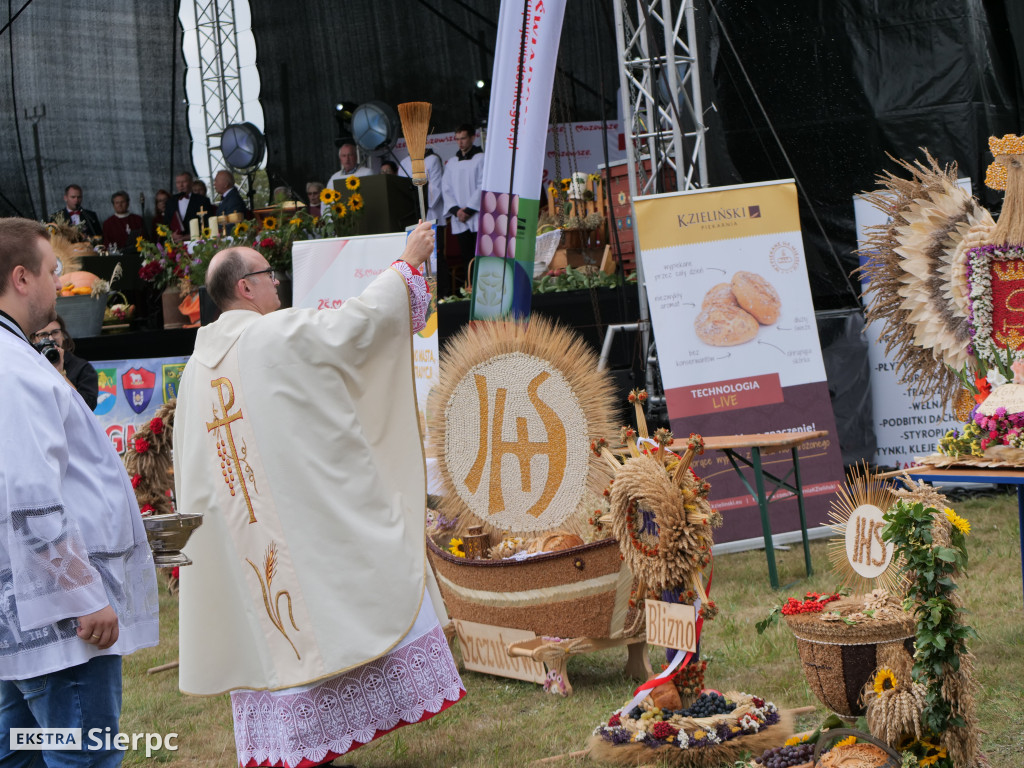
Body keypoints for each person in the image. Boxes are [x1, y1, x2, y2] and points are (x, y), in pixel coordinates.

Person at [172, 223, 464, 768]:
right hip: (296, 528)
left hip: (251, 545)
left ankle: (299, 742)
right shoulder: (270, 336)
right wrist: (407, 262)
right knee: (336, 602)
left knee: (277, 634)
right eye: (268, 275)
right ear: (245, 289)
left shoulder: (193, 374)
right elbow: (355, 327)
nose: (278, 285)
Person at [0, 217, 159, 765]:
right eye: (53, 271)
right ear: (21, 278)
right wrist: (83, 595)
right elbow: (28, 492)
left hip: (23, 618)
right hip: (59, 628)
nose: (59, 284)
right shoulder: (15, 369)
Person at [31, 315, 99, 410]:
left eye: (55, 332)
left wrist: (61, 373)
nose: (50, 339)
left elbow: (88, 406)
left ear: (63, 335)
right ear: (34, 339)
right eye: (43, 335)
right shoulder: (30, 364)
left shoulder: (81, 367)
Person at [442, 124, 485, 265]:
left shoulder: (481, 159)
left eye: (463, 138)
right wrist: (456, 211)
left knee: (481, 257)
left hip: (476, 215)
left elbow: (483, 185)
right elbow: (446, 188)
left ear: (473, 137)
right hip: (460, 218)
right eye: (457, 139)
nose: (460, 142)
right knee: (467, 259)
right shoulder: (452, 163)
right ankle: (469, 286)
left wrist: (469, 210)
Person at [165, 171, 214, 241]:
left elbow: (208, 223)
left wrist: (192, 236)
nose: (181, 185)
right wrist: (171, 235)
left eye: (184, 182)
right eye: (178, 182)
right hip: (176, 243)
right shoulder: (170, 202)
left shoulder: (202, 200)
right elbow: (166, 224)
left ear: (191, 183)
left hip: (197, 241)